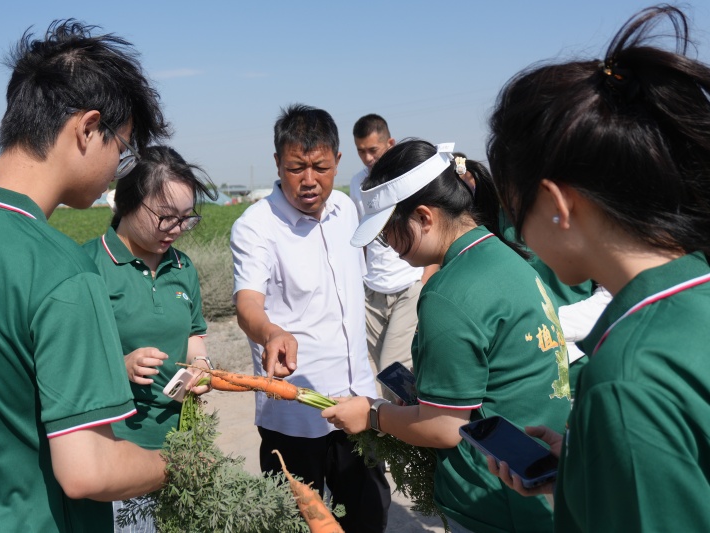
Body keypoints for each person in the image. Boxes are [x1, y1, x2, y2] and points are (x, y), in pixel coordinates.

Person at [0, 20, 172, 531]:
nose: (119, 165)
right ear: (87, 128)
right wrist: (176, 465)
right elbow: (88, 472)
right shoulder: (59, 271)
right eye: (122, 145)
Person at [485, 5, 710, 531]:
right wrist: (592, 476)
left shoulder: (626, 381)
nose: (522, 239)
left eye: (516, 217)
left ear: (558, 206)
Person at [322, 140, 572, 532]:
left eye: (389, 232)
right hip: (538, 480)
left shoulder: (448, 294)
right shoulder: (506, 257)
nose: (388, 246)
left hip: (492, 499)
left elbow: (444, 428)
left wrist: (370, 414)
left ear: (424, 216)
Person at [230, 104, 391, 533]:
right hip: (294, 414)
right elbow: (247, 303)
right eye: (295, 168)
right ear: (277, 163)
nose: (308, 180)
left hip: (356, 402)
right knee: (297, 522)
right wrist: (271, 332)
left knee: (369, 514)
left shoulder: (346, 211)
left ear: (338, 162)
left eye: (320, 167)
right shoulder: (255, 226)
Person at [83, 146, 216, 532]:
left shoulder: (182, 267)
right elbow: (69, 362)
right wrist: (119, 367)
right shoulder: (89, 266)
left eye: (185, 219)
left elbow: (193, 333)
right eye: (165, 218)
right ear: (127, 202)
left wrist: (201, 366)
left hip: (181, 445)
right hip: (119, 447)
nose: (175, 230)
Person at [350, 114, 437, 399]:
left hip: (407, 286)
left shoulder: (409, 179)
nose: (367, 157)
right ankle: (408, 427)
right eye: (361, 150)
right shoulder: (356, 184)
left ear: (390, 143)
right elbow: (362, 236)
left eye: (373, 150)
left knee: (391, 369)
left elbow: (432, 227)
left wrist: (425, 277)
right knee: (387, 372)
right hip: (373, 290)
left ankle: (406, 432)